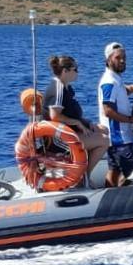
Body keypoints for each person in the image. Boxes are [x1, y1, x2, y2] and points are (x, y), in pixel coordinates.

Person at [43, 54, 108, 187]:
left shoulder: (66, 88)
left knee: (103, 130)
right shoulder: (58, 89)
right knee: (105, 141)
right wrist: (77, 123)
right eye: (75, 69)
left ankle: (81, 170)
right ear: (65, 71)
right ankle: (84, 176)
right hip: (58, 139)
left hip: (69, 132)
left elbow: (71, 114)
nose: (78, 72)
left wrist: (88, 123)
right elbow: (55, 116)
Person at [98, 41, 133, 187]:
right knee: (131, 175)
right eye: (118, 58)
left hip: (116, 139)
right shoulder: (109, 82)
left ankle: (108, 195)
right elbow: (108, 110)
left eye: (124, 57)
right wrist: (131, 119)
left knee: (114, 170)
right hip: (120, 139)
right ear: (108, 60)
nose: (123, 60)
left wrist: (131, 89)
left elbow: (119, 92)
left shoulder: (115, 79)